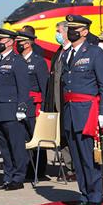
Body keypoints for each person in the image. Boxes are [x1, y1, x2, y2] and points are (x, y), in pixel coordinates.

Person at [61, 15, 103, 205]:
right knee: (77, 159)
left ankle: (95, 198)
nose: (70, 31)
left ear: (84, 31)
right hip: (71, 112)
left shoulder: (94, 53)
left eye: (74, 28)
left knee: (89, 158)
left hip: (87, 112)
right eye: (69, 28)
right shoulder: (67, 53)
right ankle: (83, 196)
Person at [0, 28, 30, 191]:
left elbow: (23, 87)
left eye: (2, 40)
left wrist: (22, 107)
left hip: (12, 110)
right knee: (4, 147)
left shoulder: (17, 61)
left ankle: (18, 177)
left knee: (16, 146)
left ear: (11, 42)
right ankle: (8, 177)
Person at [42, 21, 76, 182]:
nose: (56, 34)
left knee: (72, 136)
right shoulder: (59, 52)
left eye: (59, 31)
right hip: (56, 102)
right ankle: (69, 168)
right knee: (62, 137)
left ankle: (76, 168)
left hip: (68, 102)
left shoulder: (73, 52)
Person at [16, 30, 49, 178]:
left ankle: (39, 170)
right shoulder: (17, 60)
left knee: (35, 138)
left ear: (28, 44)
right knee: (22, 137)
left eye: (21, 42)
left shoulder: (38, 61)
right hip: (19, 103)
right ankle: (27, 168)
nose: (19, 45)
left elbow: (44, 87)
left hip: (34, 104)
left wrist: (43, 108)